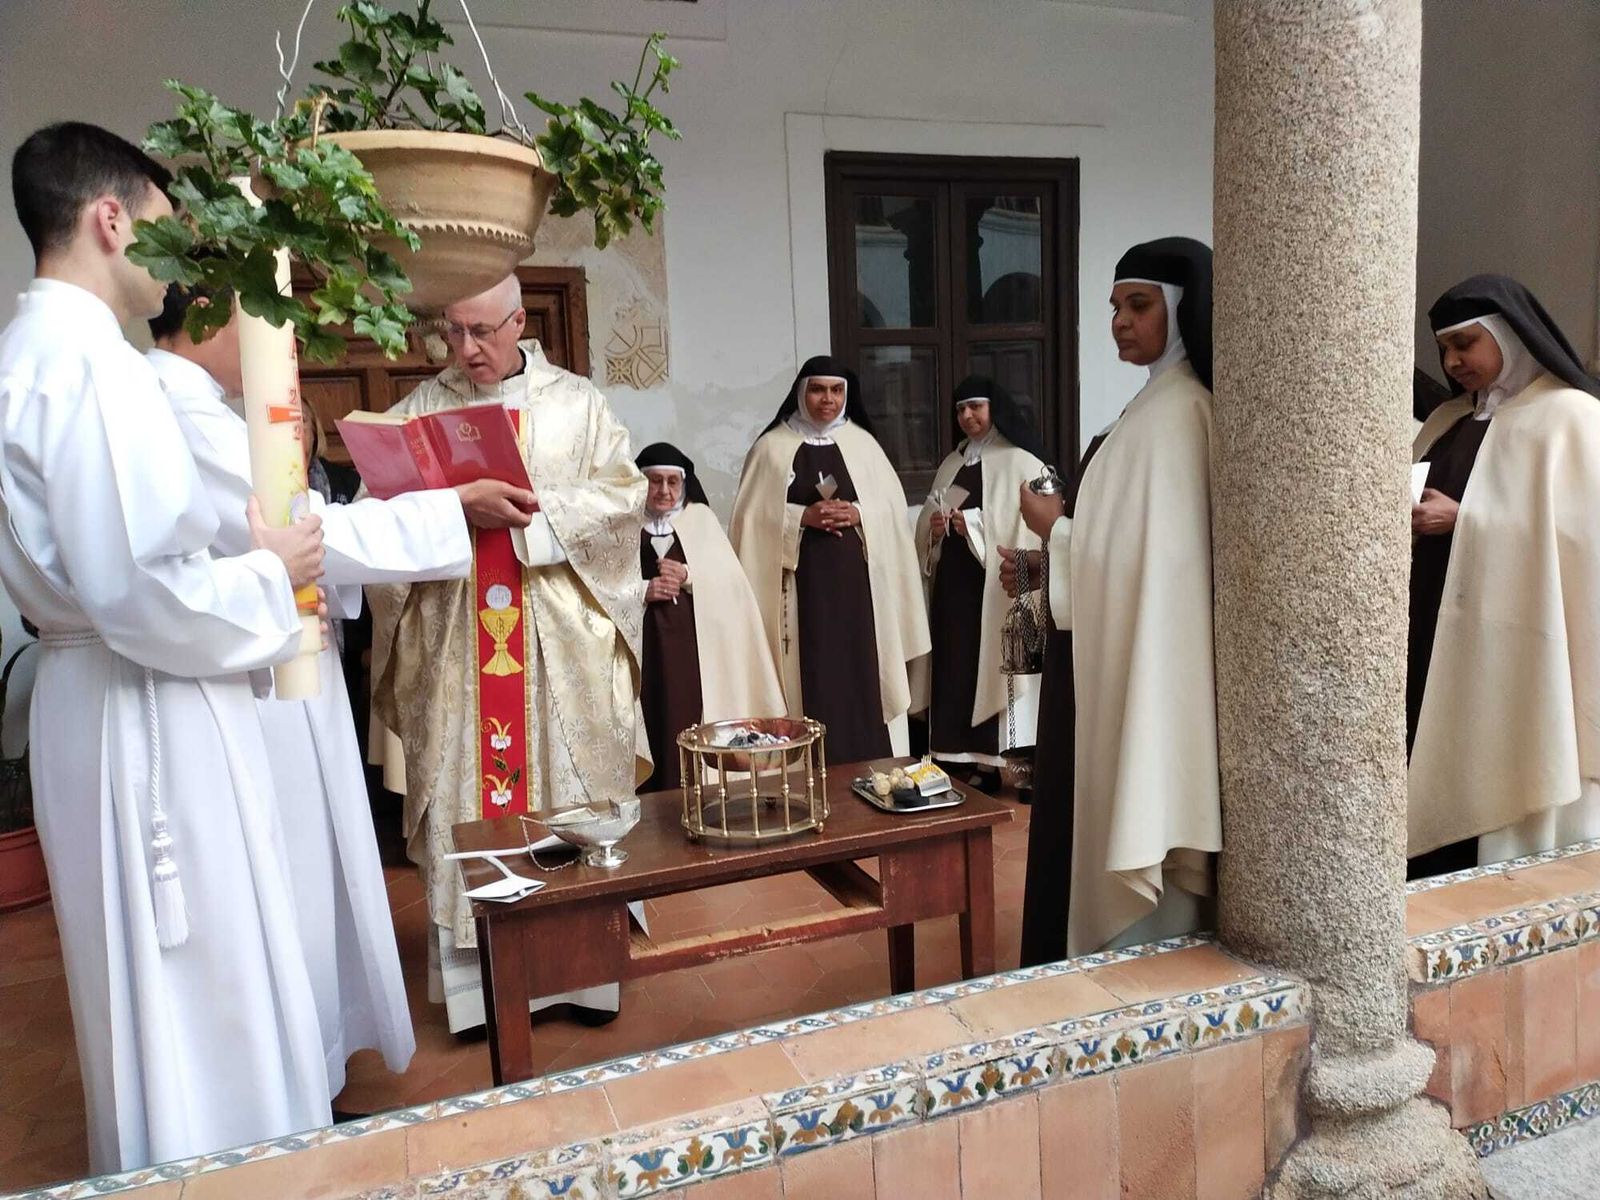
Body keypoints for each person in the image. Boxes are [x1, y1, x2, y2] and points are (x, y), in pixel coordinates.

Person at [0, 122, 330, 1170]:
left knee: (141, 980)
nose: (172, 258)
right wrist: (271, 571)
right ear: (107, 218)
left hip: (93, 688)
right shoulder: (93, 367)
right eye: (160, 227)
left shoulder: (29, 353)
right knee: (203, 974)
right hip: (147, 700)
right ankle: (234, 1172)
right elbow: (142, 590)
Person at [146, 281, 508, 1096]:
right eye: (275, 329)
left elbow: (304, 532)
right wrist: (452, 508)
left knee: (301, 874)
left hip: (264, 671)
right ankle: (287, 1076)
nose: (291, 353)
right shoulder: (189, 413)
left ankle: (306, 1064)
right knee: (284, 880)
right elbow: (311, 532)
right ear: (209, 313)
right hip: (244, 688)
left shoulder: (197, 405)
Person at [367, 274, 648, 1033]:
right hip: (459, 645)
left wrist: (529, 514)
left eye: (482, 332)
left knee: (565, 794)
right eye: (452, 332)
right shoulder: (421, 409)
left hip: (558, 643)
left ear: (520, 322)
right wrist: (449, 509)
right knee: (468, 794)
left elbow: (624, 500)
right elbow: (372, 515)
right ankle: (479, 994)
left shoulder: (579, 405)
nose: (465, 349)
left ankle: (581, 979)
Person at [1012, 237, 1221, 958]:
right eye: (1115, 308)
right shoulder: (1148, 409)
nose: (1120, 322)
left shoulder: (1181, 414)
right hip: (1100, 648)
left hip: (1145, 656)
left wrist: (1058, 531)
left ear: (1182, 308)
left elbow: (1162, 564)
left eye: (1139, 305)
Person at [1408, 275, 1600, 875]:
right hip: (1431, 637)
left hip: (1517, 647)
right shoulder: (1444, 420)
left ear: (1510, 336)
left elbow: (1582, 545)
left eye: (1466, 343)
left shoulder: (1569, 417)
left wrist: (1466, 523)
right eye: (1444, 348)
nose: (1452, 361)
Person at [729, 357, 930, 762]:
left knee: (863, 676)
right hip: (800, 597)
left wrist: (860, 513)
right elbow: (750, 522)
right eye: (818, 390)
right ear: (802, 393)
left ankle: (875, 763)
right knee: (811, 678)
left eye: (836, 391)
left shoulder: (864, 445)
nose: (828, 400)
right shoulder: (771, 449)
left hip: (861, 595)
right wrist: (802, 516)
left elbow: (892, 513)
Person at [914, 377, 1045, 793]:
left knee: (1007, 671)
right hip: (956, 591)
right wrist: (934, 528)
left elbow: (1028, 529)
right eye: (960, 410)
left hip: (1000, 591)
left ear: (995, 409)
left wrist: (968, 523)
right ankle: (969, 762)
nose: (967, 416)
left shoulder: (1021, 462)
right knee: (957, 670)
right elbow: (925, 529)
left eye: (975, 407)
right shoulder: (952, 464)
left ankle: (1018, 765)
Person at [635, 443, 786, 791]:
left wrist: (689, 574)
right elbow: (603, 582)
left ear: (684, 485)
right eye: (654, 481)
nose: (663, 491)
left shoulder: (699, 520)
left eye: (672, 482)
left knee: (685, 715)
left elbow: (733, 584)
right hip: (641, 643)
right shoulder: (624, 523)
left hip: (692, 643)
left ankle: (693, 791)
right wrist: (642, 589)